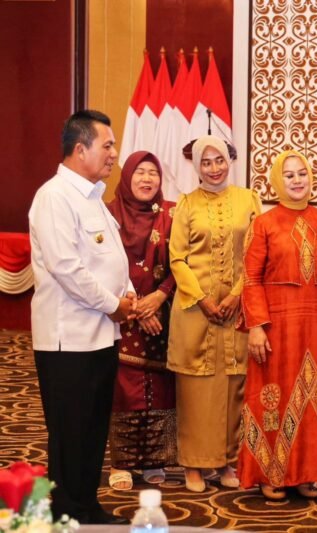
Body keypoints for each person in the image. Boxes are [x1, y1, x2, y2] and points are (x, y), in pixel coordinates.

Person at [28, 110, 134, 524]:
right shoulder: (54, 197)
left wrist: (127, 294)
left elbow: (110, 259)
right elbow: (66, 268)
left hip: (101, 334)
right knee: (70, 432)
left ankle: (86, 507)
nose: (113, 154)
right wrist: (113, 304)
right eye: (107, 145)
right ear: (80, 149)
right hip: (67, 339)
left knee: (91, 430)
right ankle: (67, 513)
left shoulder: (92, 197)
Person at [167, 135, 261, 492]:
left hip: (236, 310)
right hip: (196, 311)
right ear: (197, 166)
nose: (214, 168)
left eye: (219, 160)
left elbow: (256, 252)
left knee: (234, 387)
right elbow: (177, 258)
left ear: (229, 160)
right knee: (196, 390)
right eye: (206, 162)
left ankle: (226, 461)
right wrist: (202, 298)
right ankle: (193, 465)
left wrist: (238, 294)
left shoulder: (248, 199)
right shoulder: (186, 204)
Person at [238, 150, 317, 500]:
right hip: (276, 326)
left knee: (314, 397)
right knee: (272, 398)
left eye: (302, 173)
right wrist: (256, 325)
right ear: (278, 181)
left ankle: (306, 473)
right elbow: (250, 278)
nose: (296, 180)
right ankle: (271, 472)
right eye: (289, 175)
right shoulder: (264, 223)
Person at [105, 151, 177, 491]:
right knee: (124, 389)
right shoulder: (108, 214)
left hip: (162, 312)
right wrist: (135, 306)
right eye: (140, 172)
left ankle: (154, 458)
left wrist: (159, 298)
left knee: (160, 387)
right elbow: (102, 263)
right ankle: (121, 462)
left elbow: (183, 261)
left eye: (153, 173)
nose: (147, 179)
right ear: (127, 176)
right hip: (122, 310)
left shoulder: (172, 215)